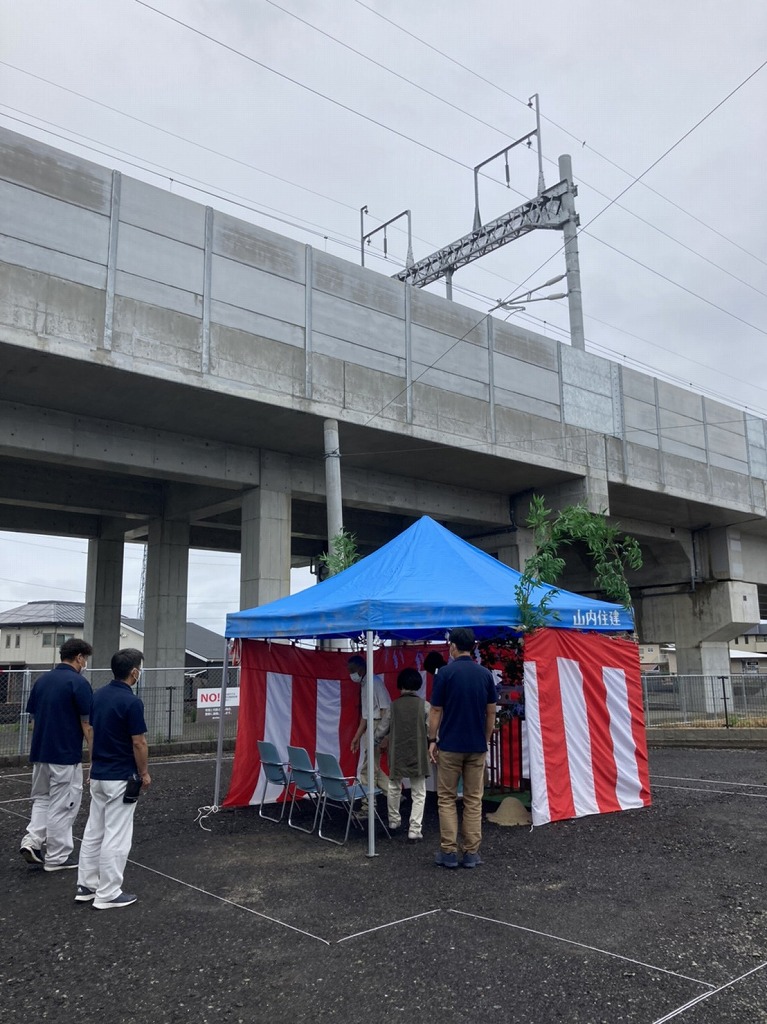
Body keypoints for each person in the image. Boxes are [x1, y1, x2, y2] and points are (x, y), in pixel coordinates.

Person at [75, 648, 151, 909]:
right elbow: (139, 742)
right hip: (121, 776)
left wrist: (92, 764)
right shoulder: (132, 702)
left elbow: (93, 733)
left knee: (94, 830)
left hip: (99, 774)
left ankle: (86, 884)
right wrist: (144, 773)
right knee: (117, 835)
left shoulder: (99, 696)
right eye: (139, 668)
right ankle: (108, 892)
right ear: (133, 672)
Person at [20, 637, 93, 871]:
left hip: (40, 752)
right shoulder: (78, 683)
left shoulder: (42, 680)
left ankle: (32, 842)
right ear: (79, 657)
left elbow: (33, 720)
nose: (85, 664)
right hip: (65, 754)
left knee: (42, 799)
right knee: (64, 804)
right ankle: (57, 857)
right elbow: (87, 724)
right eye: (85, 659)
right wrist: (95, 755)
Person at [428, 627, 497, 869]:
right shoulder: (485, 675)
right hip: (476, 746)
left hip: (450, 746)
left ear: (454, 647)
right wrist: (485, 738)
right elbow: (491, 712)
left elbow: (436, 710)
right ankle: (471, 853)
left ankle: (448, 852)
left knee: (446, 798)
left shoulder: (445, 674)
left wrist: (431, 739)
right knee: (473, 799)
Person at [379, 667, 430, 841]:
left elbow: (381, 730)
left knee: (394, 787)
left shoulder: (393, 706)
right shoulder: (425, 705)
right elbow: (432, 730)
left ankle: (393, 821)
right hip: (418, 752)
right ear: (417, 684)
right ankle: (414, 829)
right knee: (419, 792)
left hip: (397, 752)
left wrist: (378, 740)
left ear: (400, 685)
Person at [348, 653, 391, 815]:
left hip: (378, 725)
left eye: (352, 670)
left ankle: (368, 807)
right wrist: (357, 737)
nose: (350, 674)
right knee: (372, 766)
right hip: (372, 725)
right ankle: (394, 794)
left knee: (368, 770)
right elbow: (365, 716)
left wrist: (383, 736)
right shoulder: (365, 683)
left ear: (360, 668)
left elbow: (386, 710)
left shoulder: (375, 682)